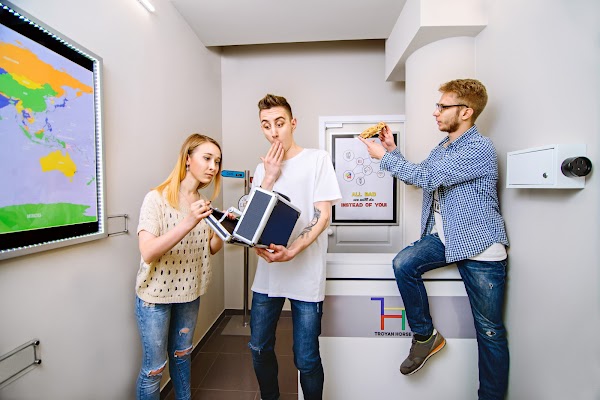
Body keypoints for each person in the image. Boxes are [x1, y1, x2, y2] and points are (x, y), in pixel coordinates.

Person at [359, 79, 509, 399]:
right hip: (447, 237)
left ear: (466, 112)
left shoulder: (478, 148)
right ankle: (426, 336)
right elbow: (419, 177)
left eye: (443, 106)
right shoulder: (443, 148)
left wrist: (383, 158)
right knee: (404, 263)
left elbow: (426, 177)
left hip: (481, 244)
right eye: (437, 106)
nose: (436, 112)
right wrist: (392, 150)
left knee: (490, 331)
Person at [248, 94, 342, 400]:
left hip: (306, 272)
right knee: (258, 347)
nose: (274, 132)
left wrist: (292, 251)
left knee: (306, 358)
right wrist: (269, 178)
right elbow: (252, 224)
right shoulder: (262, 169)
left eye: (280, 123)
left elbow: (322, 216)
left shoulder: (317, 160)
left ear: (293, 123)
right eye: (266, 126)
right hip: (268, 273)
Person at [135, 133, 225, 400]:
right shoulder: (156, 198)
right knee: (154, 369)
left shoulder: (203, 203)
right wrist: (189, 221)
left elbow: (210, 248)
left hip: (189, 294)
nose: (213, 167)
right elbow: (148, 251)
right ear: (187, 159)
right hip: (156, 298)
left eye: (217, 161)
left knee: (183, 356)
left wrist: (224, 230)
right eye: (207, 158)